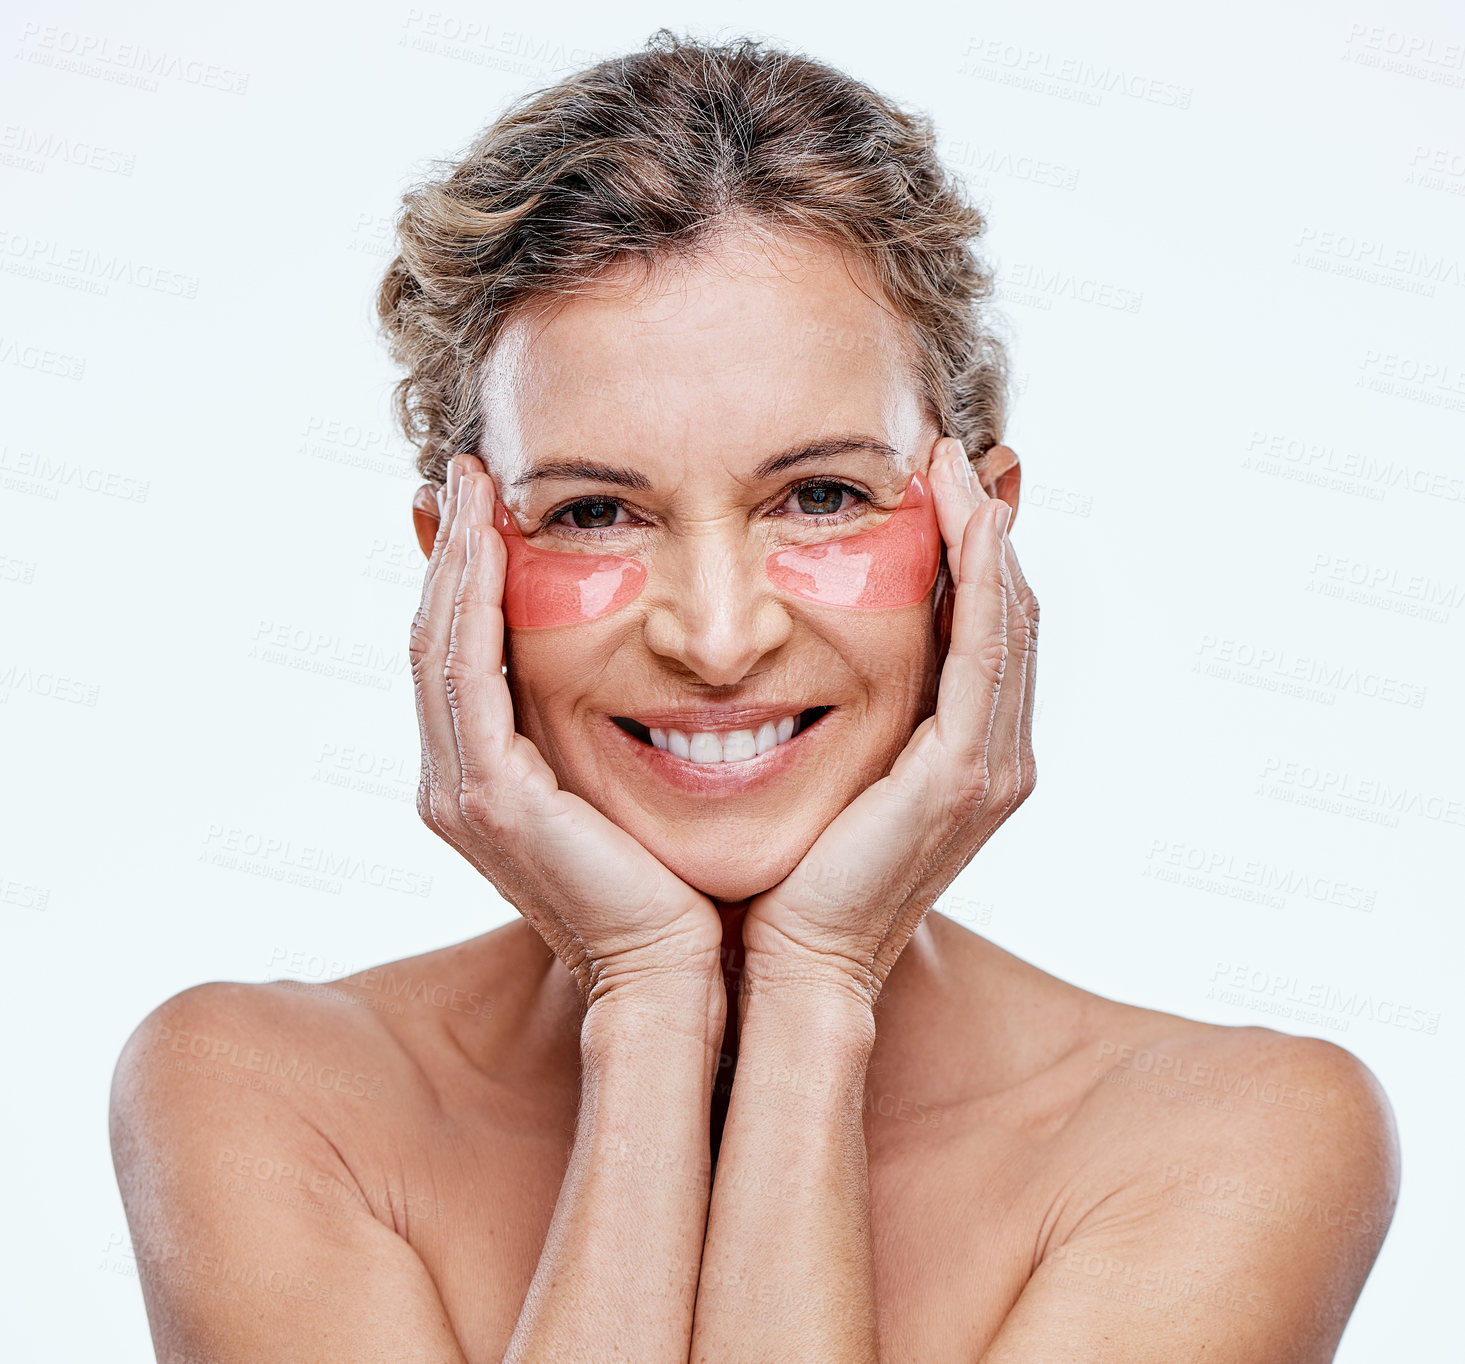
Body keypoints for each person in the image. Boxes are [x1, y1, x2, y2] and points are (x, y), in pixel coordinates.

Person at [109, 30, 1398, 1362]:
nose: (716, 639)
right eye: (596, 511)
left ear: (980, 536)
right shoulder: (265, 1092)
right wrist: (649, 996)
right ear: (456, 566)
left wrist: (816, 989)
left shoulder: (1233, 1135)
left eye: (822, 496)